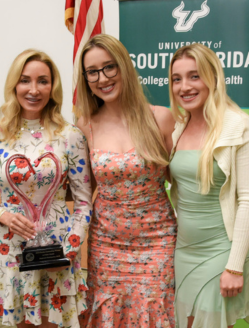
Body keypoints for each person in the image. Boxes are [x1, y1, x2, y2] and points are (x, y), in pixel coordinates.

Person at [0, 49, 92, 328]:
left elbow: (84, 203)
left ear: (53, 87)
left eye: (43, 81)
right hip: (11, 248)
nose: (34, 89)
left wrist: (69, 251)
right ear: (14, 85)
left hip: (57, 250)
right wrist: (3, 215)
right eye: (25, 80)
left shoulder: (70, 135)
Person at [75, 34, 177, 327]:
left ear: (124, 67)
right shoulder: (85, 125)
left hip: (157, 239)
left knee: (155, 312)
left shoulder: (160, 118)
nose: (102, 78)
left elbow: (182, 180)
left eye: (109, 67)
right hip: (107, 243)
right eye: (92, 71)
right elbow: (84, 190)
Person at [168, 43, 249, 328]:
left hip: (221, 251)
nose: (184, 86)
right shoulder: (178, 128)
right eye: (177, 79)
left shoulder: (239, 126)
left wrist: (234, 266)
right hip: (183, 252)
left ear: (214, 78)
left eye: (195, 76)